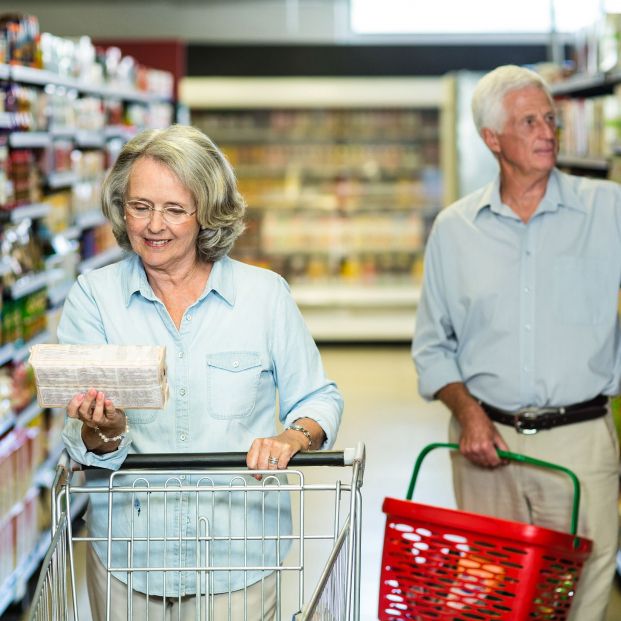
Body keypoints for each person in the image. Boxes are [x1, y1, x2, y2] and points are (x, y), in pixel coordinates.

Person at [59, 124, 344, 620]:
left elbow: (319, 397)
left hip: (239, 556)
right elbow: (83, 439)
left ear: (208, 214)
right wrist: (104, 430)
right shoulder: (95, 298)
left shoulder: (264, 296)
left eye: (174, 209)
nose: (154, 226)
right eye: (140, 206)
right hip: (131, 556)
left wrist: (292, 438)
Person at [412, 64, 621, 621]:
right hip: (488, 443)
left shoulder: (608, 210)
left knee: (584, 585)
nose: (547, 131)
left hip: (580, 440)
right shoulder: (456, 229)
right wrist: (469, 416)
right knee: (495, 592)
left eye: (551, 118)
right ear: (492, 139)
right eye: (528, 121)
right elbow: (432, 345)